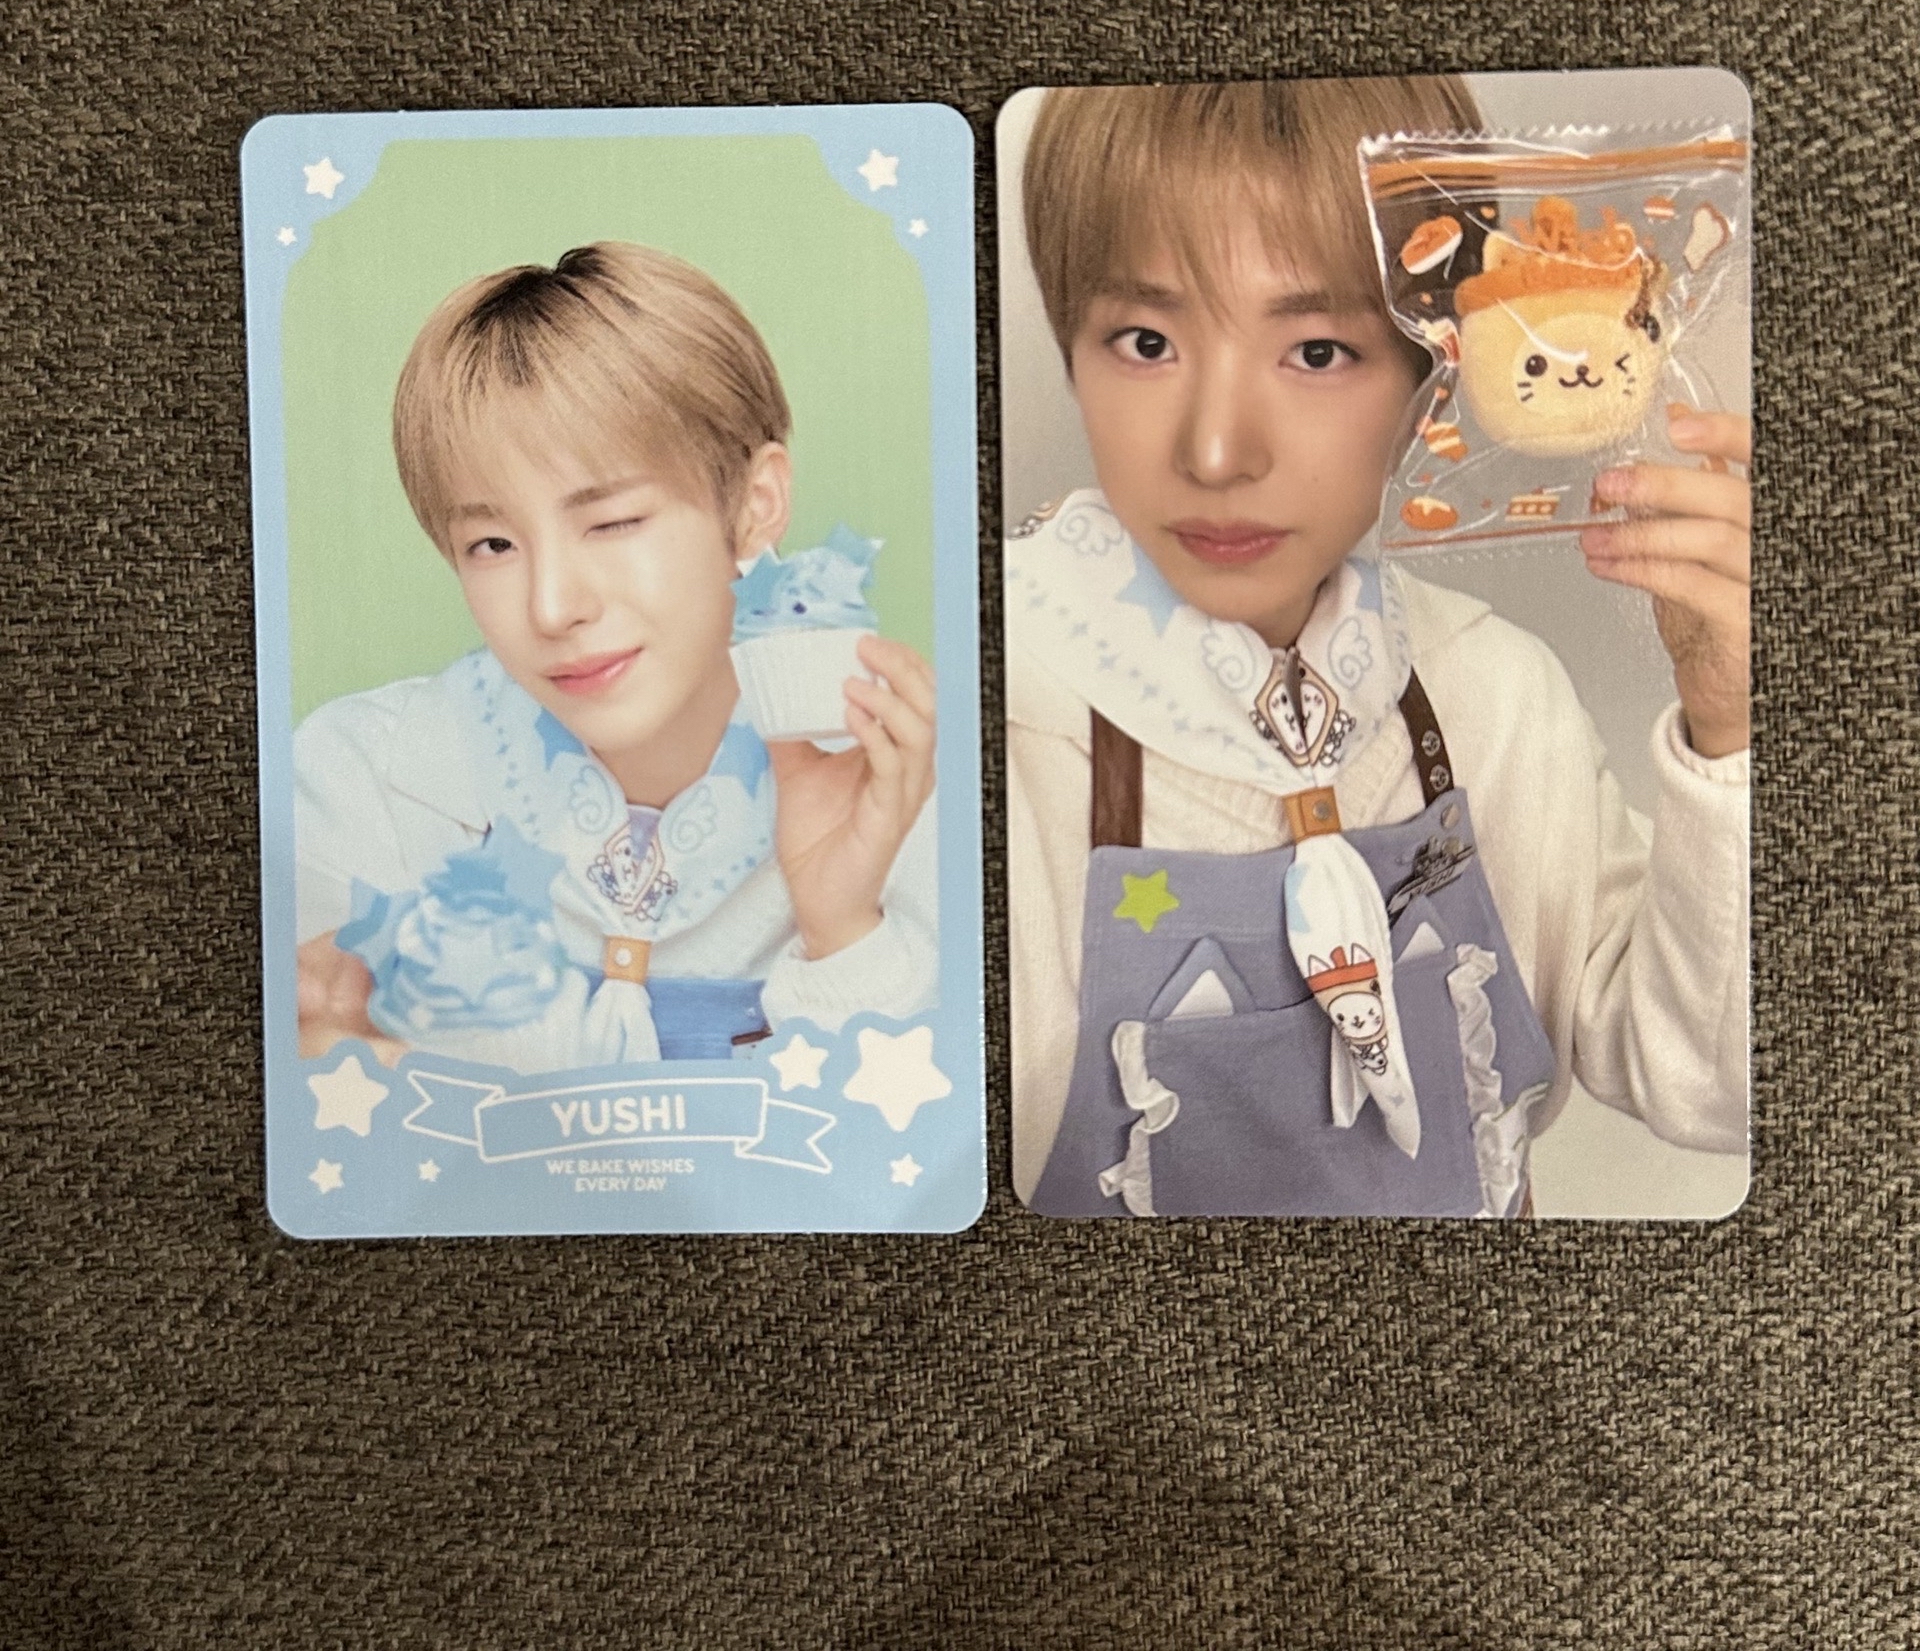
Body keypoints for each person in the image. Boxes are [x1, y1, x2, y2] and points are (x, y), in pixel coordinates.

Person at [1005, 80, 1749, 1216]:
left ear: (1435, 374)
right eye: (1146, 341)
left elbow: (1713, 1086)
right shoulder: (978, 724)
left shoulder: (1494, 695)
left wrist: (1730, 725)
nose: (1217, 451)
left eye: (1316, 351)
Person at [294, 240, 938, 1076]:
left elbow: (913, 1144)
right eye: (493, 544)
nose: (552, 606)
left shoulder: (898, 784)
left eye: (613, 522)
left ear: (755, 503)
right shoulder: (361, 782)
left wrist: (841, 928)